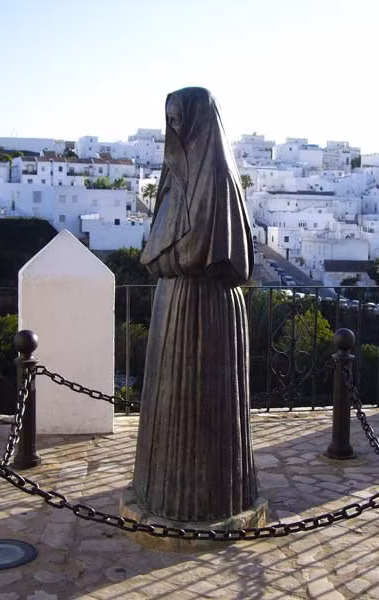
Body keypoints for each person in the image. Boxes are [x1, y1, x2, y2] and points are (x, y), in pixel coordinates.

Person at [132, 87, 257, 522]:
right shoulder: (174, 176)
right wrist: (168, 257)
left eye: (180, 119)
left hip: (206, 311)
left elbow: (192, 251)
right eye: (170, 120)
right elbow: (162, 250)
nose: (175, 127)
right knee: (169, 407)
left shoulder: (217, 182)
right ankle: (161, 492)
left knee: (206, 414)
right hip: (174, 306)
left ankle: (208, 500)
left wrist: (168, 258)